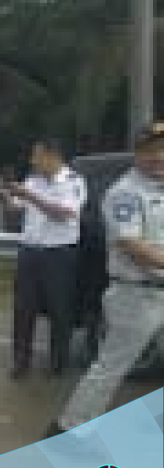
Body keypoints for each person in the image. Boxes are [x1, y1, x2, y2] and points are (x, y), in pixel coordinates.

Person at [46, 122, 164, 438]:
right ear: (137, 153)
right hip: (137, 295)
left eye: (163, 150)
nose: (159, 157)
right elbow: (132, 245)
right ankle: (66, 430)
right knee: (111, 368)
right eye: (151, 150)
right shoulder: (125, 192)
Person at [0, 139, 86, 379]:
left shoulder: (73, 181)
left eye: (36, 156)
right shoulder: (32, 180)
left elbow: (64, 213)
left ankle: (58, 363)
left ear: (52, 155)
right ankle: (20, 362)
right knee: (23, 310)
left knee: (60, 310)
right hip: (30, 252)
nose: (32, 160)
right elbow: (17, 208)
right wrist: (7, 195)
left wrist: (30, 196)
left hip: (58, 255)